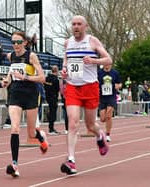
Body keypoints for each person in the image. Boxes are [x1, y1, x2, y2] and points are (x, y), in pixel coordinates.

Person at [60, 15, 111, 175]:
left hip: (90, 87)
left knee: (90, 125)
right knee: (73, 123)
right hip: (73, 87)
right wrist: (64, 69)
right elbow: (66, 60)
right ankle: (71, 160)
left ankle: (100, 135)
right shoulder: (68, 42)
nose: (75, 26)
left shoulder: (92, 41)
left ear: (85, 26)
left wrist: (93, 61)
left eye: (79, 24)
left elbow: (108, 59)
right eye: (73, 24)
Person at [3, 31, 48, 177]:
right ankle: (15, 164)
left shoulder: (31, 56)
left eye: (18, 42)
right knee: (15, 128)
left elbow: (42, 77)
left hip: (30, 95)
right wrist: (6, 81)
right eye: (13, 42)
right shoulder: (11, 56)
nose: (15, 45)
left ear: (25, 43)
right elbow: (10, 74)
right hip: (15, 94)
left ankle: (41, 137)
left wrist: (25, 77)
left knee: (31, 133)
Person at [98, 64, 122, 142]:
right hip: (102, 97)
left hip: (111, 97)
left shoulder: (115, 73)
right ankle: (103, 128)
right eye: (106, 64)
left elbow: (120, 83)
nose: (107, 65)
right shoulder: (99, 73)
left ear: (110, 64)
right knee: (102, 119)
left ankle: (108, 135)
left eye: (108, 64)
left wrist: (118, 86)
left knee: (109, 116)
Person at [44, 65, 60, 135]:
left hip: (47, 96)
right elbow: (57, 89)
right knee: (53, 112)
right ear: (57, 71)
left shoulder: (47, 78)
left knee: (51, 111)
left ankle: (51, 127)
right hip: (53, 97)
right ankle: (51, 129)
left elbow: (45, 86)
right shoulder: (56, 79)